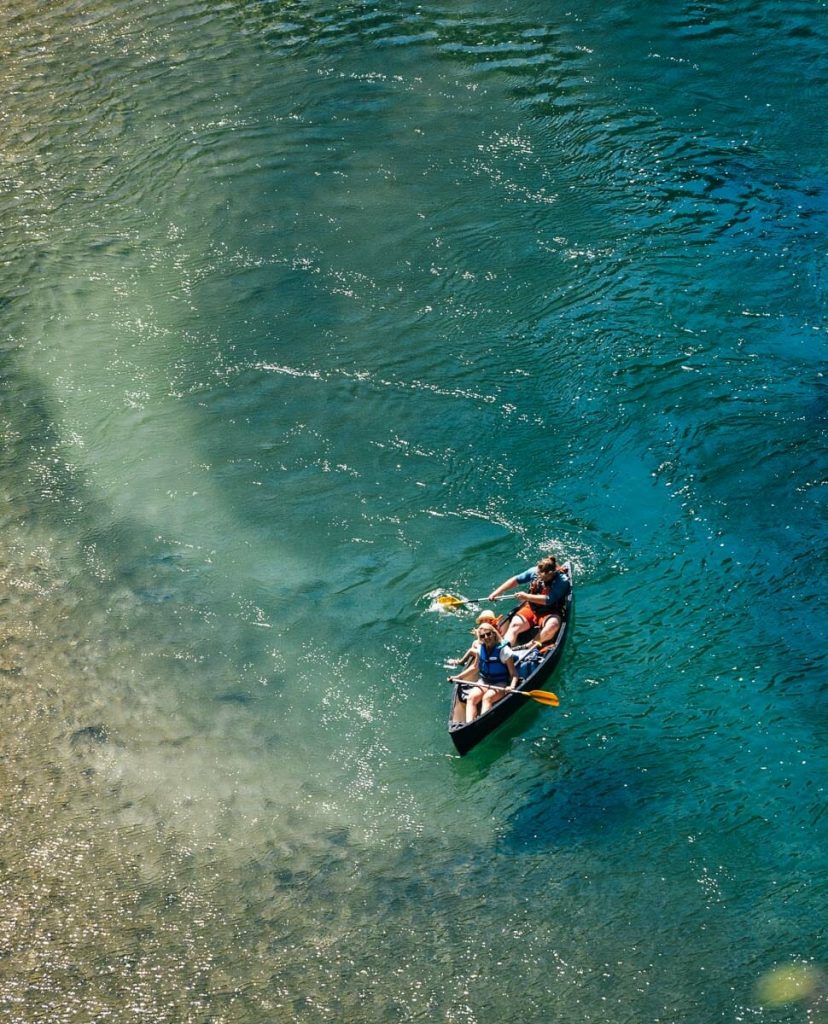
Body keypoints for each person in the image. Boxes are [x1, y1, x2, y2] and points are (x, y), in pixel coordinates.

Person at [488, 555, 570, 648]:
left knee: (553, 625)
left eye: (542, 576)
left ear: (550, 573)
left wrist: (526, 596)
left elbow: (548, 600)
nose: (539, 577)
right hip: (531, 608)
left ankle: (529, 646)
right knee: (514, 625)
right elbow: (516, 580)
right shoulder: (534, 572)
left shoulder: (562, 581)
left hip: (551, 611)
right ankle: (505, 650)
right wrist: (497, 593)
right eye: (538, 574)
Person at [448, 621, 518, 724]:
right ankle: (470, 725)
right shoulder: (481, 648)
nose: (486, 637)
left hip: (499, 683)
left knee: (487, 698)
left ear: (494, 634)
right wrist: (458, 677)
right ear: (480, 638)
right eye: (482, 636)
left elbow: (514, 674)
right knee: (471, 698)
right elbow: (474, 667)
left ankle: (483, 723)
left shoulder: (504, 651)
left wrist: (511, 686)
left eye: (488, 634)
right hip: (484, 681)